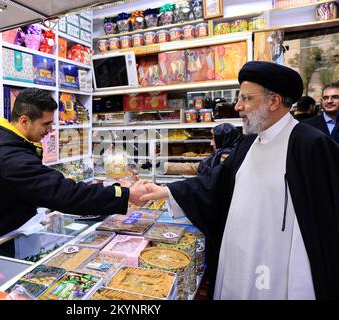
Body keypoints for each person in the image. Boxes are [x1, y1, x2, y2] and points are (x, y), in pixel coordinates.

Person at [140, 61, 339, 300]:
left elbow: (326, 221)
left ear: (274, 101)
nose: (237, 106)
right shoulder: (249, 143)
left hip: (279, 270)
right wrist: (166, 192)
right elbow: (216, 186)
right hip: (238, 260)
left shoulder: (310, 145)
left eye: (246, 98)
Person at [0, 88, 147, 254]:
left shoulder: (4, 141)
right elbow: (63, 193)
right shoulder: (9, 157)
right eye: (46, 124)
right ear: (25, 121)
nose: (50, 130)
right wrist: (124, 194)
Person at [164, 123, 241, 176]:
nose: (211, 143)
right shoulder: (224, 156)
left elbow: (197, 169)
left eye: (214, 139)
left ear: (223, 140)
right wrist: (162, 166)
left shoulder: (224, 161)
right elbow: (195, 167)